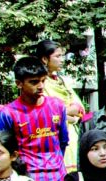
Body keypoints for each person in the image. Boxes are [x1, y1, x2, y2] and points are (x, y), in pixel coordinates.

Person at [0, 57, 69, 181]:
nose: (41, 86)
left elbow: (63, 142)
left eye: (43, 81)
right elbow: (4, 149)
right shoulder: (8, 113)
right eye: (34, 82)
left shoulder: (57, 106)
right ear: (19, 83)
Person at [36, 40, 85, 173]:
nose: (62, 60)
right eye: (57, 56)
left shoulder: (63, 81)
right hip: (53, 136)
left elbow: (80, 108)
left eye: (62, 56)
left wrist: (69, 116)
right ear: (45, 59)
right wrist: (67, 113)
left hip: (73, 135)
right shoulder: (41, 84)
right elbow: (47, 113)